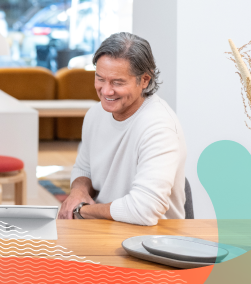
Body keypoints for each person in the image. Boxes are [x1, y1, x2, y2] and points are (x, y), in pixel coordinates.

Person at [58, 32, 187, 226]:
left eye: (117, 82)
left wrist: (81, 211)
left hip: (152, 239)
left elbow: (144, 210)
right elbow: (84, 168)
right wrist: (79, 191)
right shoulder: (95, 114)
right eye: (100, 78)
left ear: (144, 80)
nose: (106, 91)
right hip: (103, 227)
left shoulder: (159, 127)